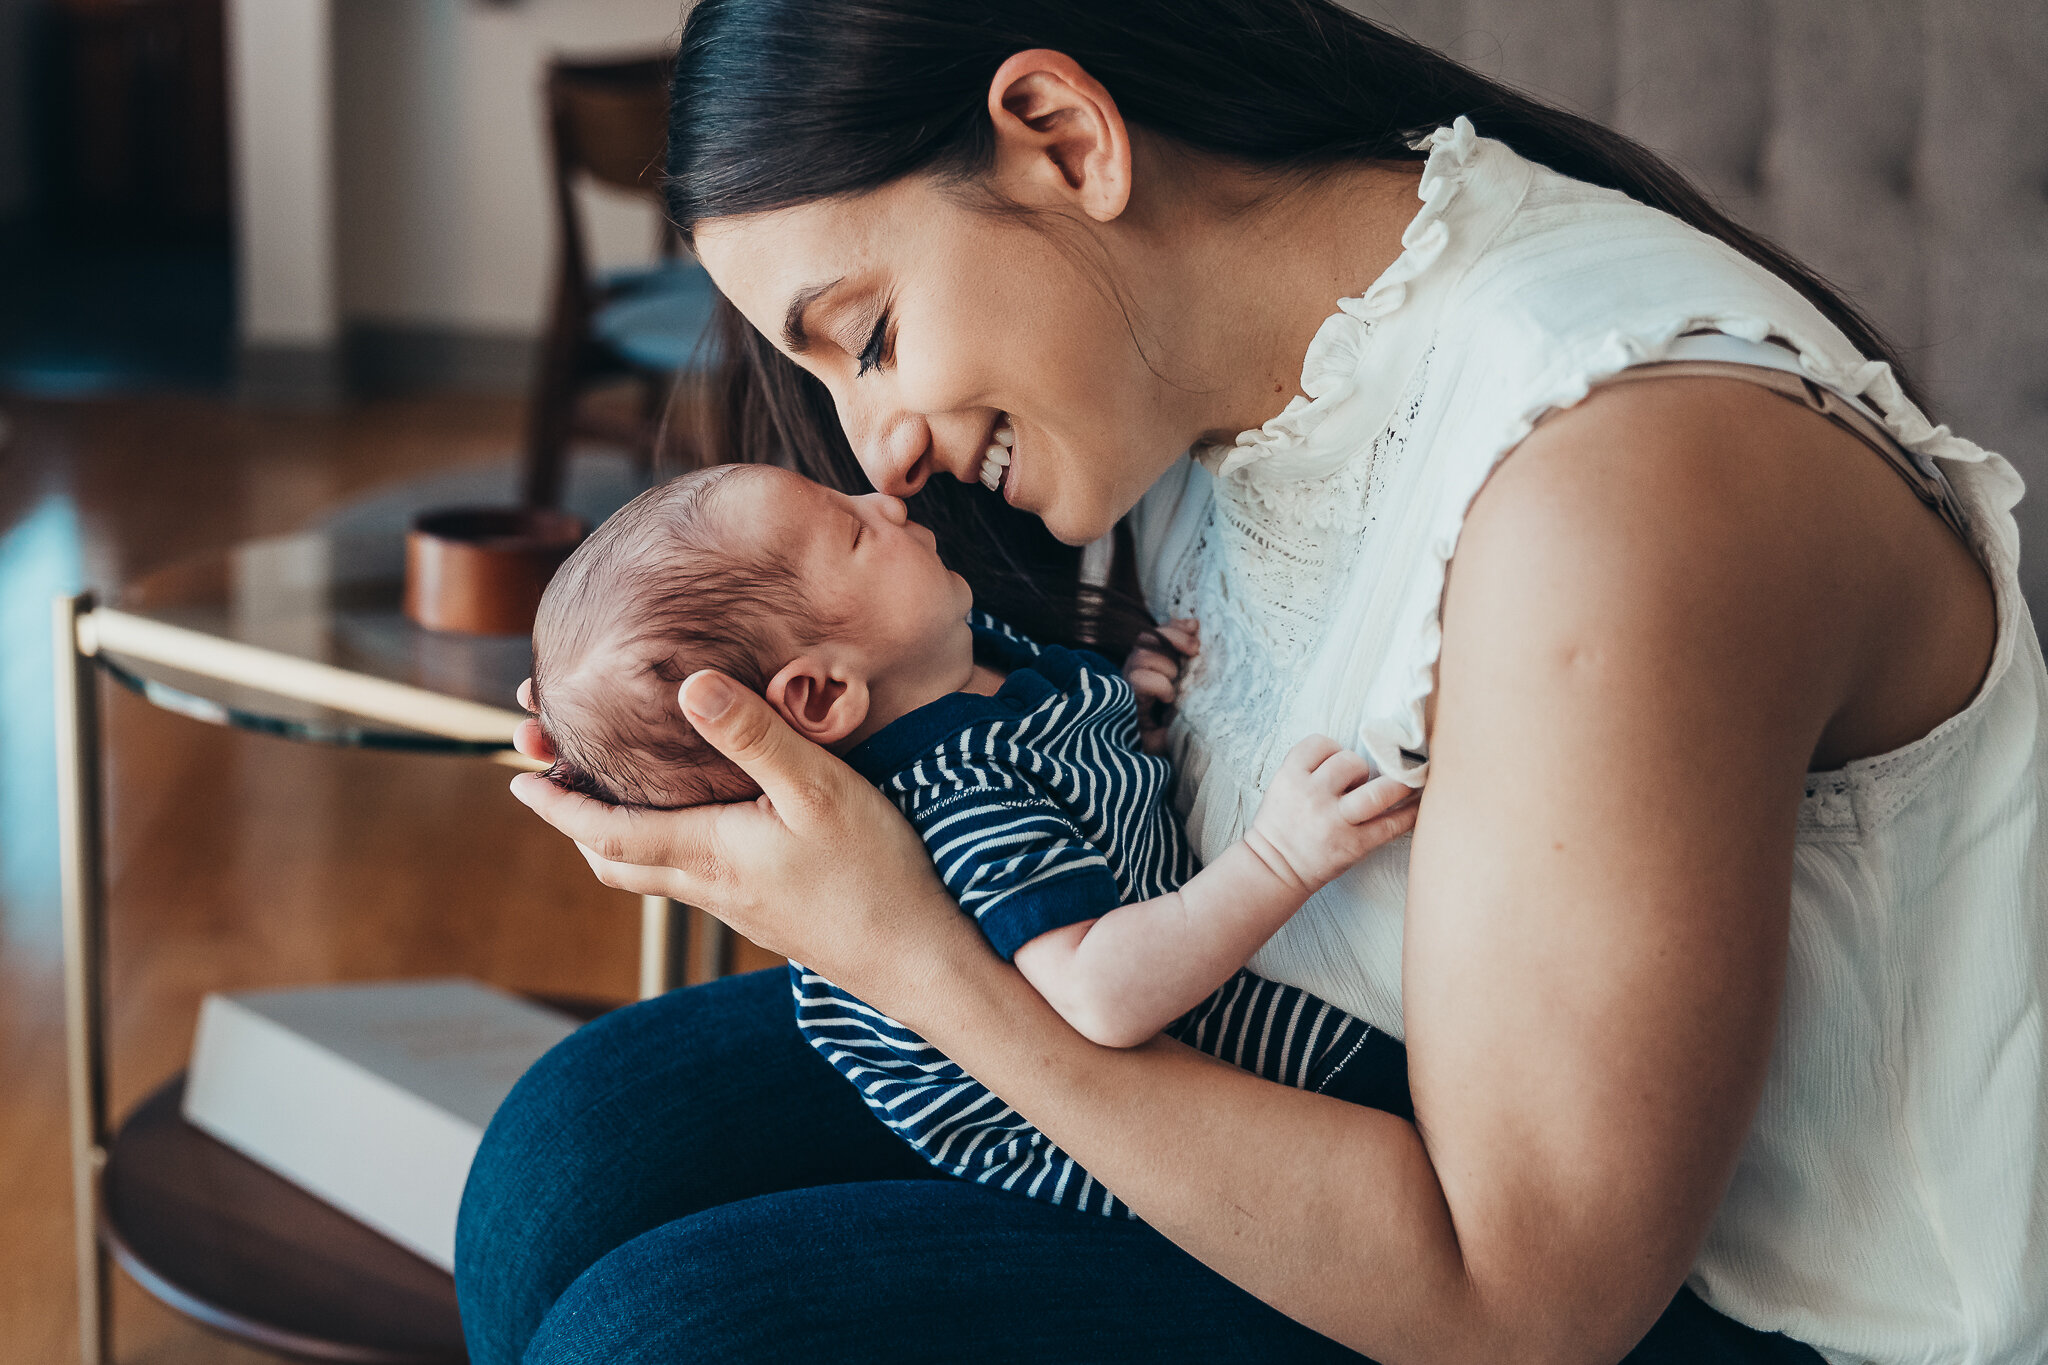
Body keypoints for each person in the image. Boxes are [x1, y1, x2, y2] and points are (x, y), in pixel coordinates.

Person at [456, 1, 2044, 1361]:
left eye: (865, 338)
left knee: (669, 1334)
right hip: (1297, 1059)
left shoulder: (1618, 485)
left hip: (1701, 1310)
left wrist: (909, 954)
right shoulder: (1191, 379)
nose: (879, 449)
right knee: (567, 1157)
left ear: (1065, 139)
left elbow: (1528, 1306)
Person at [525, 460, 1417, 1212]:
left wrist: (1130, 708)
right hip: (1147, 1113)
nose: (886, 503)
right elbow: (1102, 995)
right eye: (853, 533)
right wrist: (1278, 857)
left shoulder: (940, 659)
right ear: (822, 697)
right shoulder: (964, 796)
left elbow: (1079, 788)